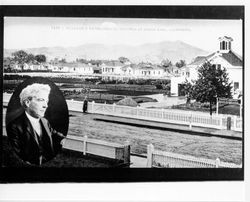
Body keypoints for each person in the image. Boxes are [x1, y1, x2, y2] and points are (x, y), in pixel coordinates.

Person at [6, 83, 66, 165]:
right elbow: (16, 155)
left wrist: (63, 138)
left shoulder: (45, 121)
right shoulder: (15, 126)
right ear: (27, 102)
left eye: (46, 101)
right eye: (41, 100)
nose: (46, 105)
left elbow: (53, 133)